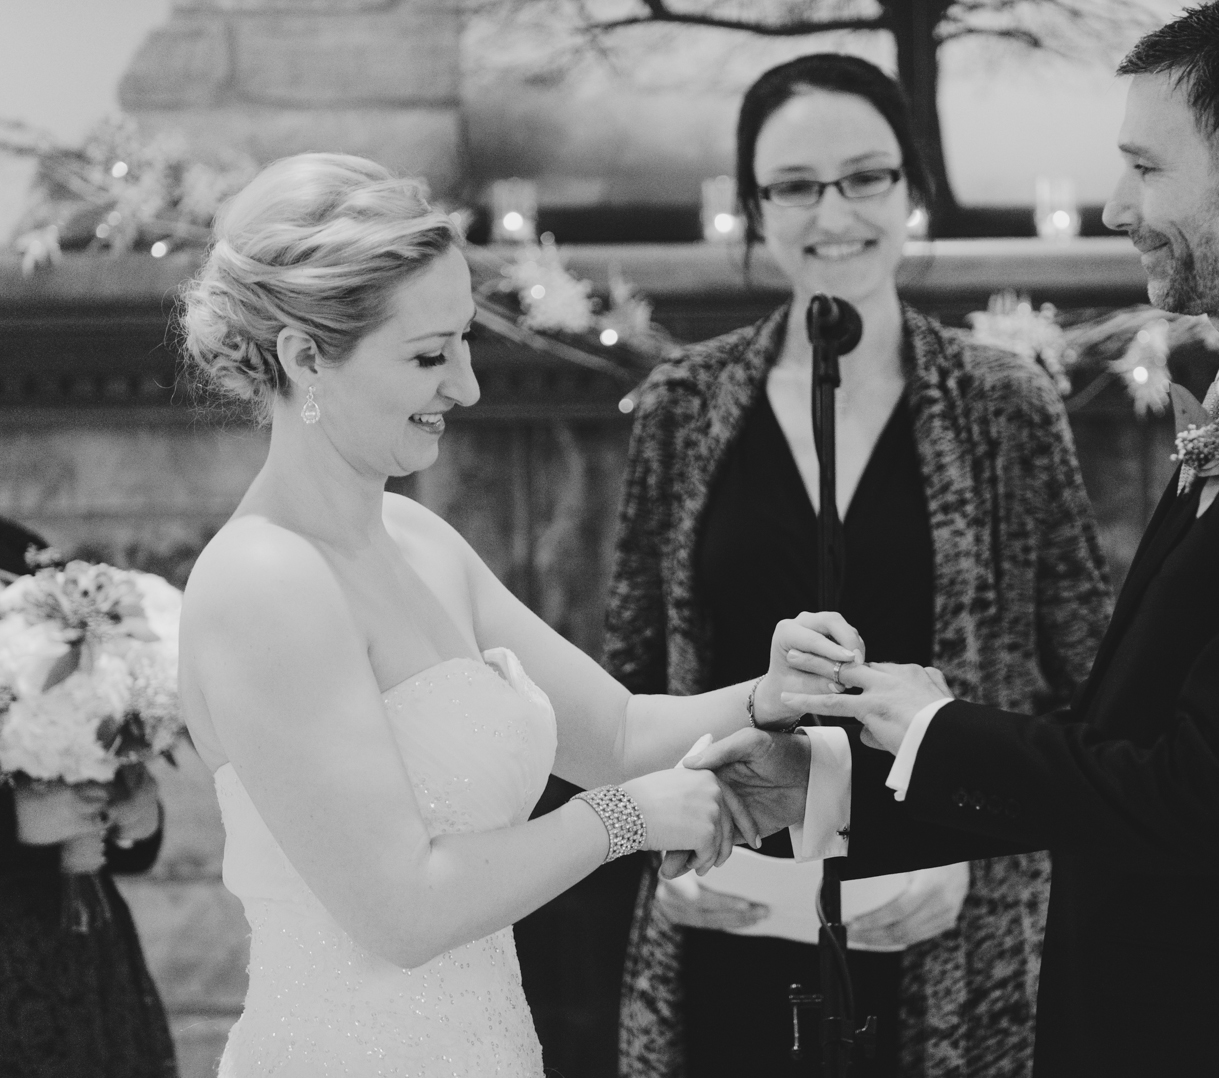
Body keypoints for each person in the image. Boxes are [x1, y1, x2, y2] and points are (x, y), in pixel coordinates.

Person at [696, 2, 1219, 1076]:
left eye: (1147, 167)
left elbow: (1208, 799)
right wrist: (824, 792)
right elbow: (1120, 753)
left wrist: (938, 721)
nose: (1117, 207)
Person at [174, 152, 848, 1076]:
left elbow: (614, 731)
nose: (467, 386)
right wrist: (623, 821)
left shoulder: (414, 537)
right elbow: (402, 912)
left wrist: (767, 697)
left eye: (464, 343)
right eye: (428, 355)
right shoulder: (264, 582)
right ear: (303, 359)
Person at [606, 53, 1112, 1078]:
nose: (833, 211)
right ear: (754, 207)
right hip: (730, 929)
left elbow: (1089, 699)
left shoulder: (1007, 405)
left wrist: (986, 852)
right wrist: (655, 842)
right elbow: (625, 683)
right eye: (795, 185)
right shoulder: (682, 404)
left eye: (866, 176)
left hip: (943, 943)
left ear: (910, 189)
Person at [0, 517, 177, 1078]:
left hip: (83, 945)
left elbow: (90, 693)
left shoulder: (16, 545)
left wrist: (133, 817)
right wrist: (14, 822)